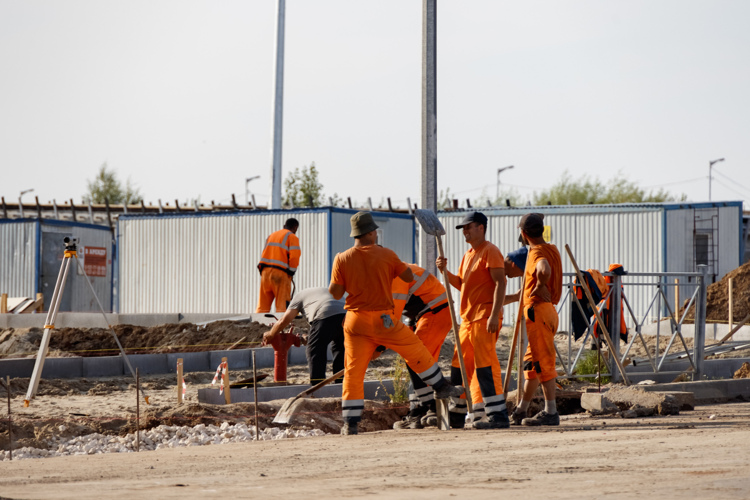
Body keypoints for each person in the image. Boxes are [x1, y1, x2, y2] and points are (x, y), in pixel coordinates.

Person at [329, 211, 464, 436]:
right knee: (415, 349)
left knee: (353, 373)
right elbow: (409, 277)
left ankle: (350, 424)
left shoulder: (341, 258)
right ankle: (441, 387)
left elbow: (335, 293)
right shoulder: (387, 255)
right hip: (384, 320)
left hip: (354, 322)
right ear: (372, 233)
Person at [436, 211, 510, 430]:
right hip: (467, 320)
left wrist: (495, 314)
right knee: (459, 366)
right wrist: (444, 272)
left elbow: (500, 283)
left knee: (485, 366)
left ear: (481, 227)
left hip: (484, 317)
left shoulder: (491, 251)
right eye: (463, 229)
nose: (465, 232)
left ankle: (498, 415)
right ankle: (458, 415)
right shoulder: (468, 254)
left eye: (468, 227)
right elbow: (462, 284)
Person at [510, 212, 563, 426]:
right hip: (547, 311)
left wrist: (540, 285)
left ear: (523, 233)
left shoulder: (537, 252)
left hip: (538, 311)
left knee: (543, 362)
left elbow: (544, 269)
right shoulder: (552, 248)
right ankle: (521, 409)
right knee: (532, 364)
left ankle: (551, 412)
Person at [391, 263, 451, 429]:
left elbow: (392, 316)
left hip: (434, 311)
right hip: (425, 312)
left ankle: (428, 407)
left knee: (416, 357)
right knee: (419, 360)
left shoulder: (395, 274)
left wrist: (378, 347)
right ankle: (421, 408)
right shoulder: (389, 270)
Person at [262, 287, 346, 385]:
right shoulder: (321, 293)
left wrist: (271, 334)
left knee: (315, 350)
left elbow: (284, 320)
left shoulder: (298, 297)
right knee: (341, 349)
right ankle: (341, 384)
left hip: (325, 312)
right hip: (347, 315)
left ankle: (318, 386)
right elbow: (327, 331)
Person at [256, 218, 300, 313]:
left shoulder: (272, 236)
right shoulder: (292, 237)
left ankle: (258, 323)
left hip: (265, 273)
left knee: (262, 305)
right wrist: (291, 272)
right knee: (282, 306)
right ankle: (282, 326)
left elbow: (264, 253)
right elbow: (294, 257)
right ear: (295, 227)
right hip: (280, 274)